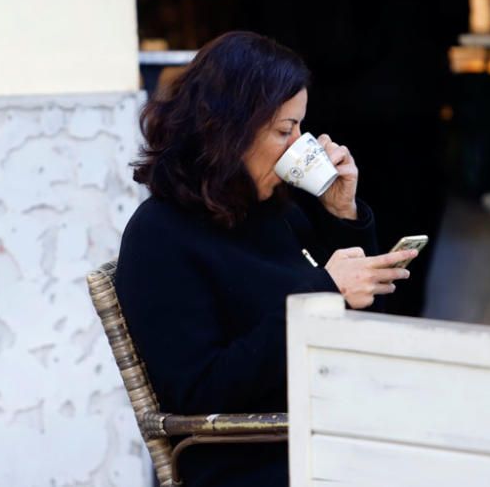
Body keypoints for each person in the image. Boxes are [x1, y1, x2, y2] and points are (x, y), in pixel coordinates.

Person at [115, 31, 417, 487]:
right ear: (226, 128)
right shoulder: (160, 235)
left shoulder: (275, 214)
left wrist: (344, 214)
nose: (300, 146)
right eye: (284, 130)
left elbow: (365, 332)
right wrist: (323, 293)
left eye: (300, 128)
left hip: (328, 437)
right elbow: (200, 392)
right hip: (255, 464)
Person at [236, 0, 472, 317]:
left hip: (300, 126)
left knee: (307, 277)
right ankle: (395, 384)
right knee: (400, 273)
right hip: (404, 116)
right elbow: (453, 5)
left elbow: (245, 15)